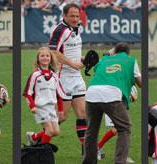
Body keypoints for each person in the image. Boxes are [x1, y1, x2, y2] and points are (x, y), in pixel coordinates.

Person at [82, 43, 141, 164]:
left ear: (114, 52)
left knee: (91, 131)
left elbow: (99, 71)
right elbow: (140, 83)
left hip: (91, 93)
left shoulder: (104, 59)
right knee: (125, 128)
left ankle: (89, 162)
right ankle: (119, 162)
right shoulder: (131, 61)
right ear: (128, 53)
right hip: (111, 95)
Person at [48, 3, 88, 155]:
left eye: (77, 16)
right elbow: (52, 51)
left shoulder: (77, 28)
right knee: (62, 116)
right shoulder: (59, 30)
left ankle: (85, 150)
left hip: (77, 78)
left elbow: (70, 50)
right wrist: (71, 63)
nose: (75, 19)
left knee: (83, 114)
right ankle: (38, 138)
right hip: (63, 78)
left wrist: (80, 59)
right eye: (71, 16)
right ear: (64, 16)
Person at [24, 47, 64, 145]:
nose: (45, 58)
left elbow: (58, 94)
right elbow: (27, 93)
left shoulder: (54, 76)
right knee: (49, 131)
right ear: (38, 59)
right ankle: (41, 152)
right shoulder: (35, 75)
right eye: (42, 56)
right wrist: (32, 106)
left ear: (51, 58)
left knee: (55, 132)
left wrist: (61, 109)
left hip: (51, 108)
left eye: (47, 56)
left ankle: (33, 137)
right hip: (40, 107)